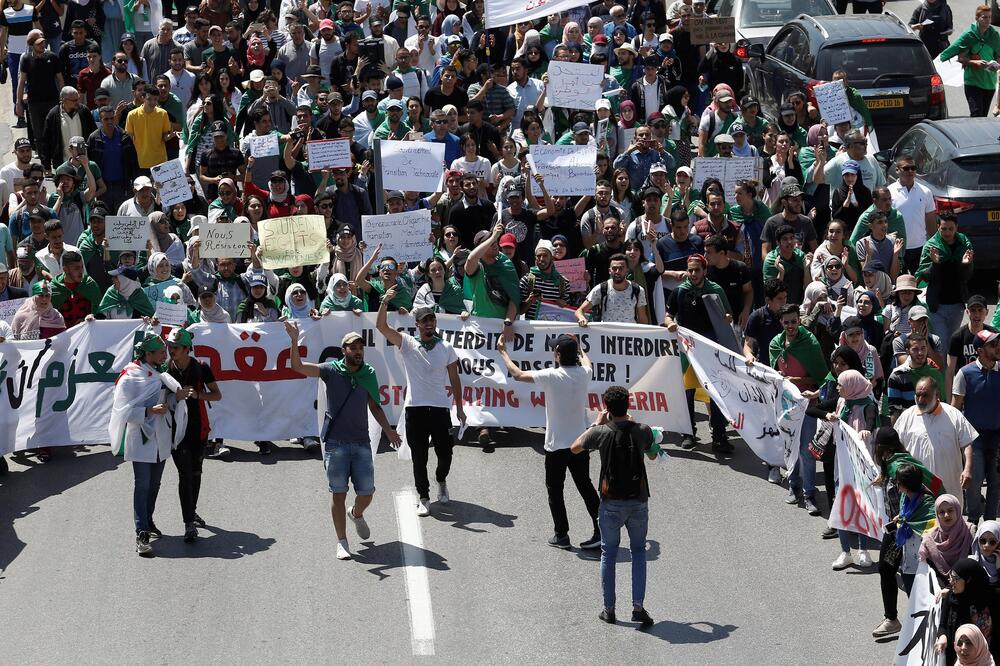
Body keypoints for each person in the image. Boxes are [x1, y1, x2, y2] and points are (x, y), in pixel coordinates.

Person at [285, 322, 402, 561]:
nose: (358, 351)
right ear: (344, 350)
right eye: (353, 347)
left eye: (361, 347)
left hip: (361, 443)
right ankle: (342, 541)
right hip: (336, 444)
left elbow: (374, 406)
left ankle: (356, 513)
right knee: (338, 494)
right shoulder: (330, 370)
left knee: (367, 493)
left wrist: (389, 431)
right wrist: (294, 340)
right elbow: (297, 366)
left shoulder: (368, 373)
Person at [499, 333, 601, 550]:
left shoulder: (552, 376)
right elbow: (587, 361)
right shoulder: (585, 373)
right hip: (580, 443)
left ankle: (561, 535)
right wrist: (580, 347)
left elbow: (517, 374)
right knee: (586, 486)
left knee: (555, 490)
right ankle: (602, 531)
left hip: (556, 446)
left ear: (557, 355)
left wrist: (502, 352)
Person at [570, 385, 658, 627]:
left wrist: (596, 424)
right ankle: (638, 607)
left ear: (607, 408)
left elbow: (575, 447)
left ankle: (609, 609)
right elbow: (652, 455)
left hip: (610, 502)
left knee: (609, 553)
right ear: (628, 405)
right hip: (638, 500)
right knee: (638, 552)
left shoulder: (602, 432)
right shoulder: (642, 430)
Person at [376, 298, 466, 517]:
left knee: (445, 453)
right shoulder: (407, 343)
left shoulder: (446, 347)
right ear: (417, 324)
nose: (429, 324)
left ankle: (441, 480)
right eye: (424, 321)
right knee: (420, 457)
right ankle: (424, 497)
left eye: (432, 320)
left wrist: (460, 409)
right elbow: (381, 326)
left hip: (440, 409)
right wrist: (384, 303)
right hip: (415, 409)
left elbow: (455, 379)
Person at [108, 332, 183, 557]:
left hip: (161, 437)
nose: (165, 354)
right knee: (142, 484)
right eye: (160, 352)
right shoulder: (130, 377)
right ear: (148, 354)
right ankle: (141, 532)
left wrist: (177, 398)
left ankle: (148, 520)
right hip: (141, 437)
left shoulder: (161, 374)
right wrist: (149, 411)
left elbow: (166, 401)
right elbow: (121, 411)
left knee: (155, 484)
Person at [663, 254, 733, 452]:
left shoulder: (716, 290)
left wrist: (727, 317)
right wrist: (670, 324)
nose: (693, 274)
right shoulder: (679, 291)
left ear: (705, 271)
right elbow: (668, 315)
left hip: (710, 349)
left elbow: (728, 316)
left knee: (716, 392)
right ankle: (688, 433)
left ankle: (719, 436)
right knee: (687, 391)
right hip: (687, 350)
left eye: (697, 270)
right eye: (690, 270)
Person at [164, 327, 221, 542]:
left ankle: (192, 511)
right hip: (176, 431)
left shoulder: (201, 368)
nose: (171, 350)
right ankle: (188, 523)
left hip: (199, 428)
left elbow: (217, 395)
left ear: (187, 349)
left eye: (176, 347)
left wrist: (198, 395)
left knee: (196, 474)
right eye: (169, 346)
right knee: (184, 475)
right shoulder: (165, 369)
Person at [770, 304, 828, 515]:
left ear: (800, 320)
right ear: (781, 323)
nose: (791, 326)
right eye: (786, 322)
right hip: (786, 408)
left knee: (807, 451)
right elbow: (773, 376)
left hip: (808, 406)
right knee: (790, 449)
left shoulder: (810, 343)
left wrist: (796, 380)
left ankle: (809, 494)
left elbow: (821, 378)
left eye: (794, 321)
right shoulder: (775, 344)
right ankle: (794, 487)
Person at [897, 376, 977, 508]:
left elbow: (967, 443)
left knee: (950, 525)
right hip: (916, 490)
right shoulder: (906, 417)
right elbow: (896, 448)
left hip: (949, 489)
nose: (920, 400)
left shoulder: (953, 415)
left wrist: (967, 470)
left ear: (937, 394)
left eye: (925, 395)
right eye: (918, 395)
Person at [951, 330, 1000, 525]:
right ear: (979, 350)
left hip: (997, 438)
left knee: (996, 484)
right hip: (974, 440)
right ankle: (972, 523)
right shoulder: (965, 373)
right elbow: (955, 409)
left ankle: (990, 526)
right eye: (992, 345)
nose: (997, 347)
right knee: (974, 483)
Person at [940, 6, 1000, 118]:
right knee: (976, 114)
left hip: (989, 83)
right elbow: (961, 58)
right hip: (973, 82)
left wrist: (996, 64)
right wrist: (974, 62)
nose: (988, 20)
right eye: (984, 17)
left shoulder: (994, 35)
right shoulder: (969, 35)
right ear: (977, 18)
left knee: (983, 117)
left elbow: (998, 55)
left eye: (990, 17)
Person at [933, 561, 998, 663]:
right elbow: (943, 625)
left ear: (969, 580)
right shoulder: (952, 597)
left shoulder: (991, 598)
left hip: (985, 659)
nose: (951, 582)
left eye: (955, 579)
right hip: (957, 659)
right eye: (950, 577)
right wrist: (942, 636)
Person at [577, 252, 649, 325]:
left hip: (629, 335)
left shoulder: (638, 290)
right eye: (614, 268)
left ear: (627, 271)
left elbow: (642, 319)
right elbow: (579, 311)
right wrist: (581, 318)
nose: (617, 272)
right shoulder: (601, 288)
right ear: (609, 271)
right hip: (606, 335)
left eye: (621, 268)